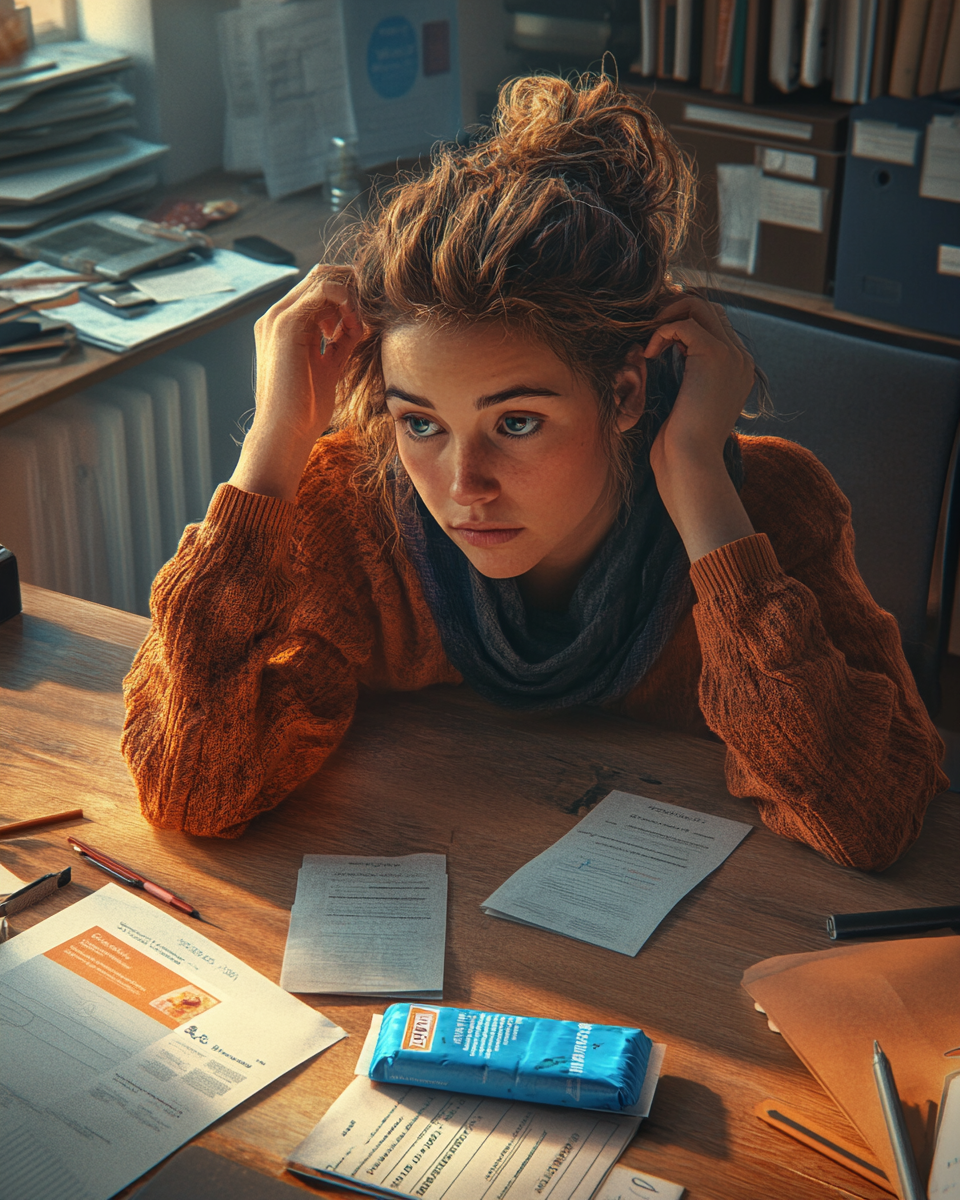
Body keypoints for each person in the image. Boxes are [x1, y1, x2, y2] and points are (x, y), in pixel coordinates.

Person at [122, 74, 946, 871]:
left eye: (516, 423)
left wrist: (699, 485)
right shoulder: (354, 507)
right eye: (422, 424)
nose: (461, 485)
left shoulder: (765, 507)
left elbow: (869, 816)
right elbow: (192, 787)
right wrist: (272, 453)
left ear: (622, 394)